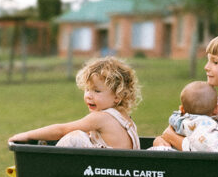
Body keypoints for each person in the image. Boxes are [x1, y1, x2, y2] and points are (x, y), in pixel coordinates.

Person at [9, 56, 140, 149]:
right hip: (121, 169)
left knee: (75, 136)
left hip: (105, 170)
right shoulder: (125, 118)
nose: (88, 95)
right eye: (87, 89)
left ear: (118, 96)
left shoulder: (101, 118)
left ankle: (47, 164)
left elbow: (61, 130)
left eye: (97, 91)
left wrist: (27, 135)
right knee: (84, 135)